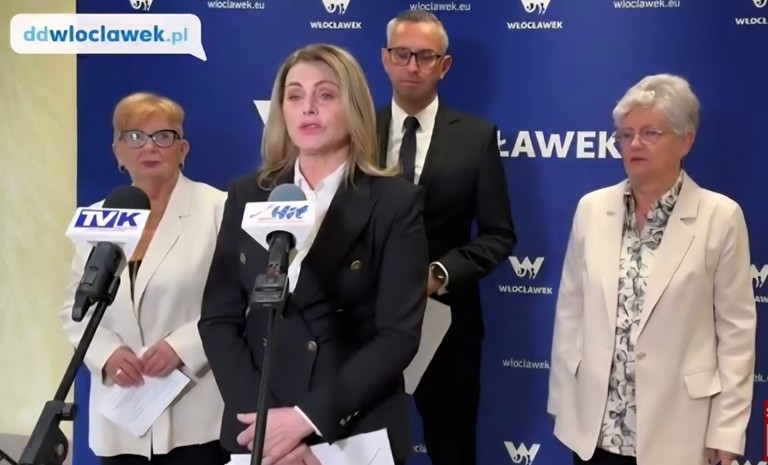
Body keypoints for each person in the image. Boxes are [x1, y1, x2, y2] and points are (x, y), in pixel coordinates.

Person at [198, 43, 429, 465]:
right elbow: (218, 318)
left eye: (325, 94)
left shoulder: (395, 203)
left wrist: (305, 420)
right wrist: (266, 428)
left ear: (353, 106)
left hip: (350, 433)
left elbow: (397, 337)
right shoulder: (249, 195)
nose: (308, 108)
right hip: (258, 433)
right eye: (294, 96)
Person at [547, 74, 756, 465]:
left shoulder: (721, 217)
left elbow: (736, 335)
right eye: (626, 135)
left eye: (650, 133)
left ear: (686, 141)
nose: (635, 144)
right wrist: (563, 401)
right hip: (596, 432)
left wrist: (727, 430)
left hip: (680, 432)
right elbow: (570, 313)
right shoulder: (592, 209)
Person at [376, 10, 516, 465]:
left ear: (444, 65)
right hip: (362, 326)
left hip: (447, 326)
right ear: (386, 59)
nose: (413, 66)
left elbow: (498, 234)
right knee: (364, 451)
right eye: (403, 54)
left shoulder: (477, 138)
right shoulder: (355, 133)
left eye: (425, 56)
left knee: (452, 450)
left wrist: (437, 275)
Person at [59, 92, 229, 465]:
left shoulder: (218, 209)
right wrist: (106, 354)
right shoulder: (98, 217)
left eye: (163, 136)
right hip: (122, 417)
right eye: (134, 136)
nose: (149, 146)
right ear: (117, 151)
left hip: (196, 414)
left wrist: (183, 347)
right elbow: (76, 307)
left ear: (183, 149)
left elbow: (240, 302)